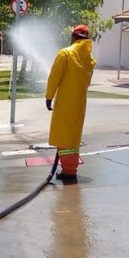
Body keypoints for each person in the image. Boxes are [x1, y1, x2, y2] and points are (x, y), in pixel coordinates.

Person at [45, 24, 97, 183]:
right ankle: (70, 169)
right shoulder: (89, 59)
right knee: (73, 139)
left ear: (73, 37)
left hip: (65, 104)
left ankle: (68, 171)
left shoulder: (65, 53)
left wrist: (49, 97)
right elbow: (87, 82)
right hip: (80, 105)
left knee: (63, 137)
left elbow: (55, 76)